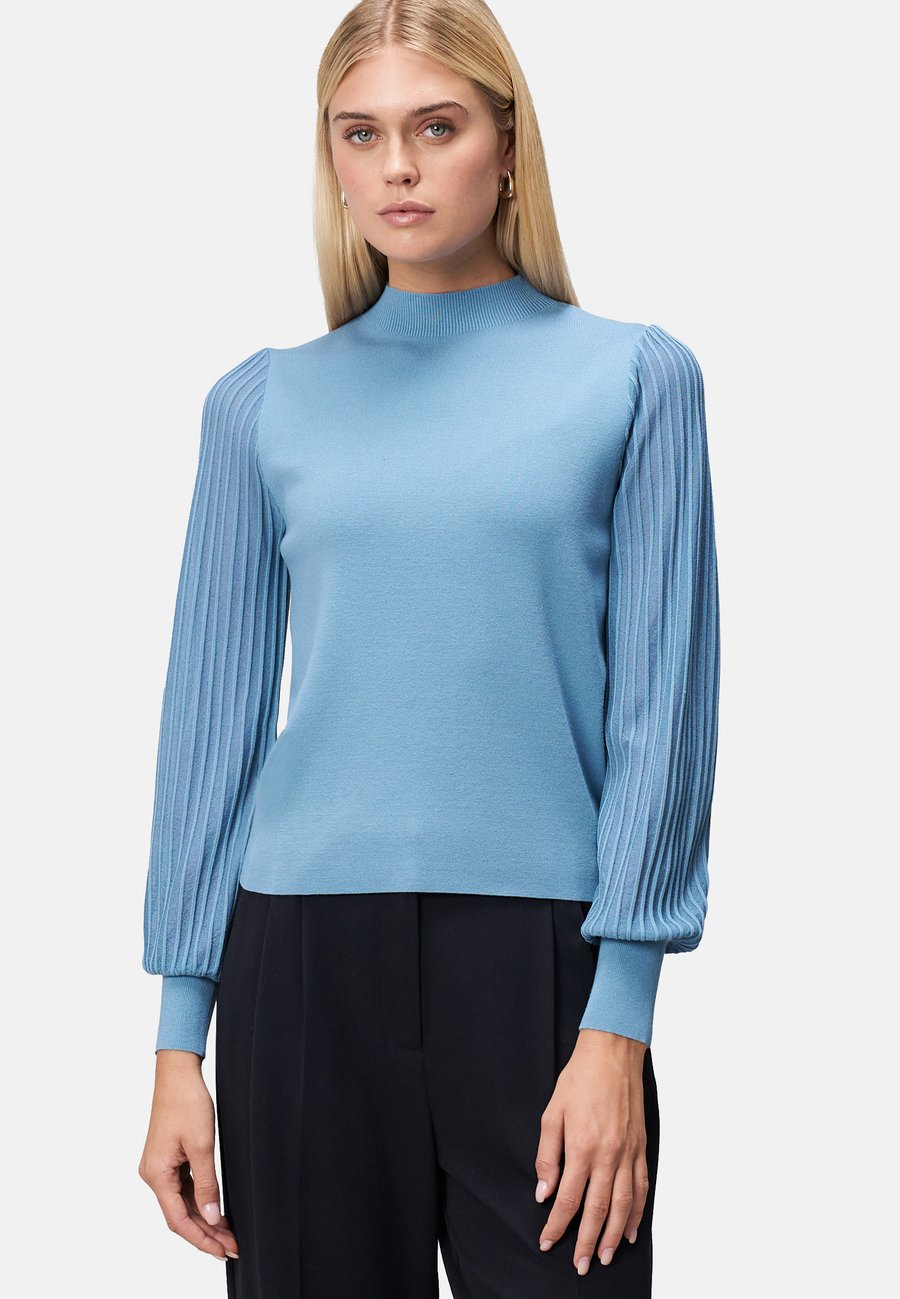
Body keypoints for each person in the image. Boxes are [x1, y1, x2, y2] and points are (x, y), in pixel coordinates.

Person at [137, 2, 721, 1295]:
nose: (398, 166)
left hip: (544, 969)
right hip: (299, 966)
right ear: (332, 159)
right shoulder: (260, 404)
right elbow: (211, 733)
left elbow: (663, 714)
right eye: (362, 134)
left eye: (436, 127)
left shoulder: (635, 381)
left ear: (507, 146)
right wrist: (180, 1042)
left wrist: (620, 1019)